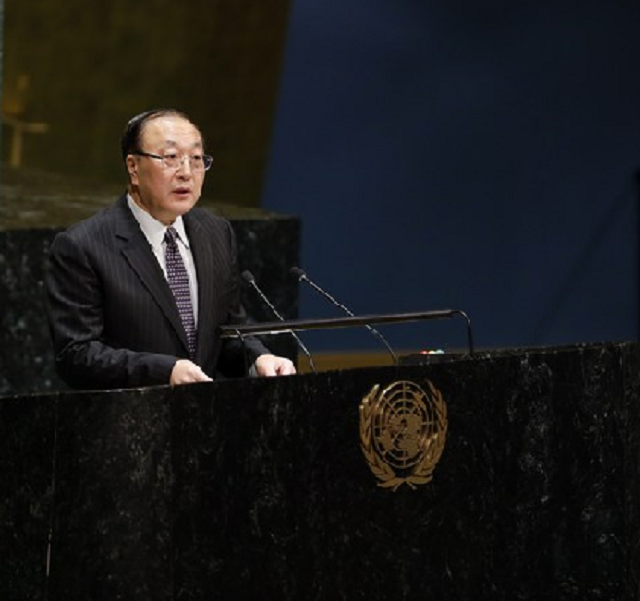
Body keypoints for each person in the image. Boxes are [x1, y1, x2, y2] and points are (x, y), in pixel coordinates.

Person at [45, 108, 296, 389]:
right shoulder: (83, 246)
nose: (186, 173)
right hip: (127, 423)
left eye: (197, 159)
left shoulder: (216, 233)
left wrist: (257, 358)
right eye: (170, 158)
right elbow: (76, 355)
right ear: (133, 167)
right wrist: (165, 371)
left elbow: (228, 332)